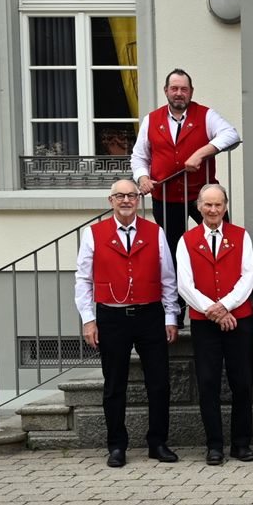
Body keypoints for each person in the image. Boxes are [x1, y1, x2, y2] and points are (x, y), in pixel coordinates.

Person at [74, 179, 179, 467]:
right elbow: (83, 280)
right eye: (119, 196)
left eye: (131, 196)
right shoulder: (93, 233)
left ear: (138, 201)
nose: (126, 200)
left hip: (150, 315)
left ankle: (157, 442)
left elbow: (168, 278)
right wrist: (89, 320)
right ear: (110, 201)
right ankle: (116, 446)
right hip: (111, 316)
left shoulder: (155, 232)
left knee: (159, 383)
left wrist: (171, 316)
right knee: (114, 384)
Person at [174, 183, 253, 465]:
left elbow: (247, 278)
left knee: (242, 382)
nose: (212, 210)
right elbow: (185, 285)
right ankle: (214, 445)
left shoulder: (241, 236)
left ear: (226, 206)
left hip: (239, 321)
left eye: (218, 204)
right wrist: (214, 311)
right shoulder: (186, 240)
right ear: (198, 207)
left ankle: (241, 444)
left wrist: (226, 306)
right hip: (204, 322)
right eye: (207, 205)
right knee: (208, 383)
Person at [132, 68, 239, 259]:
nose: (179, 93)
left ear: (191, 91)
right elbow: (139, 156)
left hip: (203, 195)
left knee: (221, 242)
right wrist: (143, 178)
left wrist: (201, 153)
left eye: (184, 89)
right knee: (173, 250)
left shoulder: (206, 115)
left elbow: (231, 135)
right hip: (166, 197)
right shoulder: (151, 120)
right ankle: (178, 288)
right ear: (166, 90)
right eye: (174, 88)